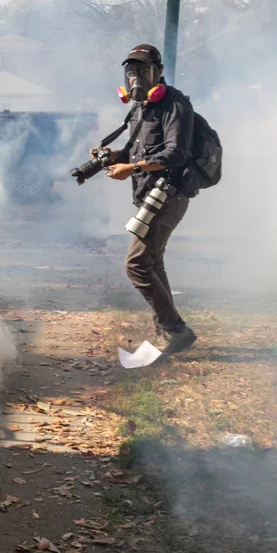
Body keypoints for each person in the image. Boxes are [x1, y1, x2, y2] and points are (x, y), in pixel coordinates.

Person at [97, 43, 198, 355]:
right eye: (131, 72)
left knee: (137, 265)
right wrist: (115, 156)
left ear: (159, 72)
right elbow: (136, 151)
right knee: (153, 262)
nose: (136, 78)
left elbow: (176, 154)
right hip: (148, 194)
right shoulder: (141, 107)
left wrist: (132, 168)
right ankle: (167, 330)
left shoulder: (175, 104)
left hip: (168, 194)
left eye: (143, 70)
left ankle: (177, 331)